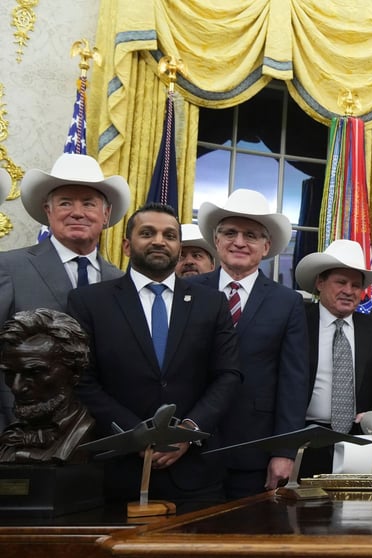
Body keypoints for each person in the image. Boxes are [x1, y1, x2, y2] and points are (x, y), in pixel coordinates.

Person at [67, 203, 240, 508]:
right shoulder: (89, 301)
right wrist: (138, 435)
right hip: (116, 473)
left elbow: (228, 375)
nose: (159, 240)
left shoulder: (211, 303)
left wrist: (188, 431)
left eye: (169, 235)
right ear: (126, 245)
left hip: (196, 474)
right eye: (147, 233)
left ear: (178, 246)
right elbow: (82, 379)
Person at [190, 189, 309, 498]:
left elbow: (293, 383)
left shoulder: (287, 302)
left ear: (266, 247)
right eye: (230, 233)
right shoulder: (186, 291)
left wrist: (285, 451)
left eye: (251, 236)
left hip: (254, 450)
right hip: (188, 447)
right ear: (216, 241)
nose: (239, 242)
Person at [0, 155, 128, 428]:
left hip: (99, 432)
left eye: (88, 203)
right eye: (66, 202)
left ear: (106, 215)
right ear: (48, 211)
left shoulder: (120, 280)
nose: (77, 212)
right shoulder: (9, 267)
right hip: (22, 428)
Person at [293, 239, 372, 477]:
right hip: (305, 437)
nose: (349, 291)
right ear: (320, 282)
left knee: (355, 510)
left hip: (360, 439)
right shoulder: (297, 322)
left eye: (356, 285)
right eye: (341, 282)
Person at [0, 308, 94, 463]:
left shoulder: (86, 432)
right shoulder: (9, 437)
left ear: (75, 372)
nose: (17, 387)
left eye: (35, 372)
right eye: (10, 374)